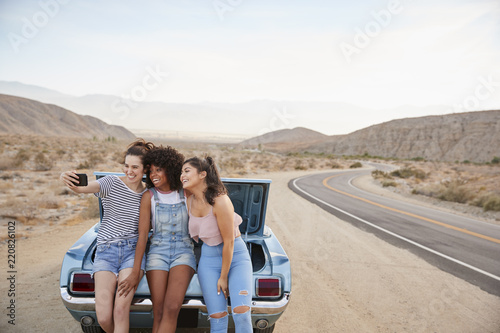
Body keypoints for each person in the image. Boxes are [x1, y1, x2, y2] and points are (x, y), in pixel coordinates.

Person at [60, 138, 154, 333]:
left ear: (145, 169)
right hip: (105, 253)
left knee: (121, 309)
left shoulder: (148, 193)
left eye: (135, 167)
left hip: (131, 253)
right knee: (103, 317)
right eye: (126, 166)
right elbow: (81, 189)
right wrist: (66, 176)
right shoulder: (109, 183)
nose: (129, 171)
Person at [118, 145, 196, 333]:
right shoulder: (149, 196)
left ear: (170, 169)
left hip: (183, 252)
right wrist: (136, 271)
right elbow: (143, 236)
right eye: (150, 170)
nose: (153, 174)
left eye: (158, 169)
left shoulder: (186, 193)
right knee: (159, 310)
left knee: (171, 308)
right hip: (157, 253)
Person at [181, 156, 253, 333]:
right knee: (217, 318)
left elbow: (228, 242)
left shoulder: (220, 201)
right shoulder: (188, 199)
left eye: (187, 171)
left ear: (202, 174)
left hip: (235, 256)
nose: (182, 175)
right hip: (209, 259)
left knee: (241, 314)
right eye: (181, 172)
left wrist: (224, 276)